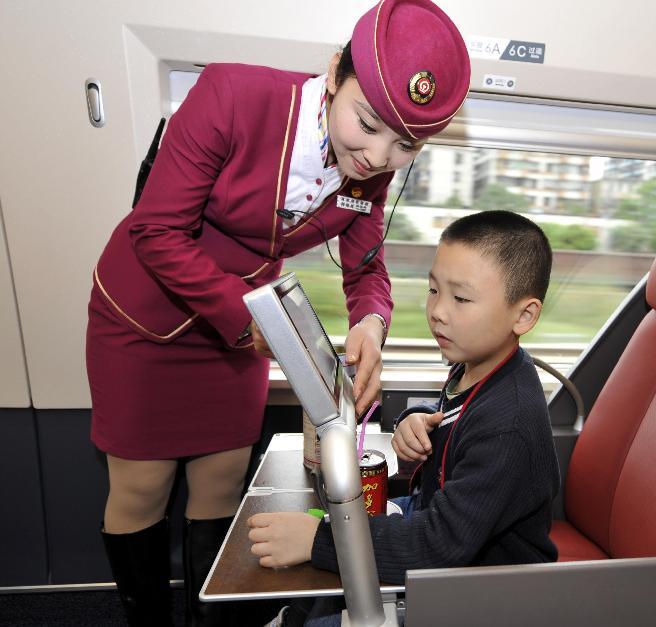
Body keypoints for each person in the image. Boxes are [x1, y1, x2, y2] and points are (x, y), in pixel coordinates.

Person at [86, 1, 470, 625]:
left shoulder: (367, 176)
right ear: (335, 72)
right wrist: (255, 325)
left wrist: (371, 325)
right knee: (141, 490)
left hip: (241, 333)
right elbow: (155, 233)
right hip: (146, 319)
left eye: (405, 146)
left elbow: (367, 269)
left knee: (220, 483)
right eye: (367, 124)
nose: (377, 157)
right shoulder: (232, 96)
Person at [248, 210, 561, 625]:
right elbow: (454, 416)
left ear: (523, 316)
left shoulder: (510, 423)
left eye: (461, 298)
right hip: (439, 528)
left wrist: (319, 543)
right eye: (433, 290)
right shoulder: (474, 366)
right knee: (335, 538)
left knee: (329, 555)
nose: (438, 311)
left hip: (487, 590)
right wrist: (419, 416)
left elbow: (439, 547)